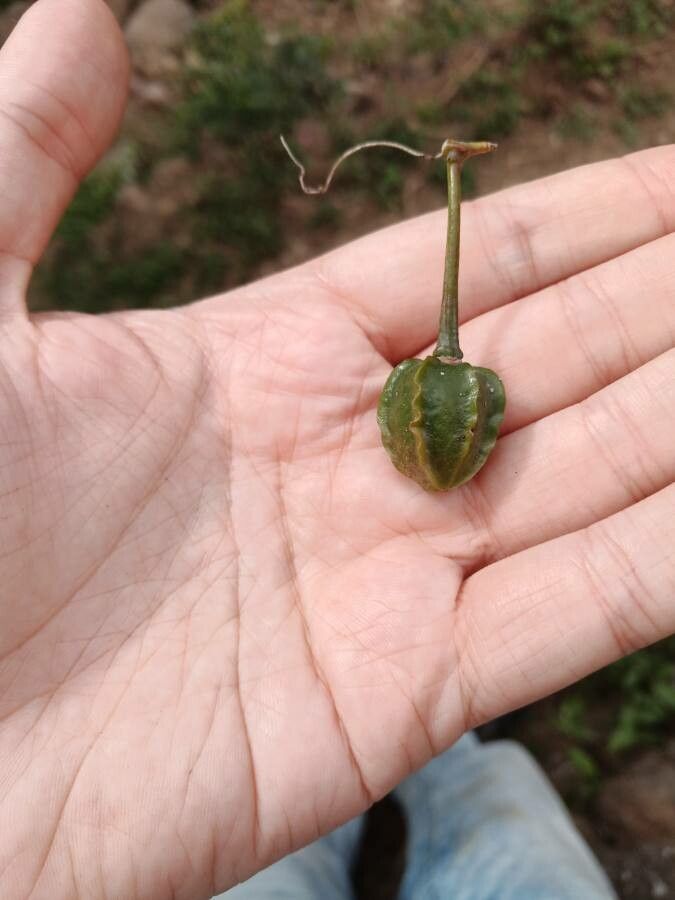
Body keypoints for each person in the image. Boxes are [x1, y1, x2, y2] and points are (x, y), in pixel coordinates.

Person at [0, 1, 672, 898]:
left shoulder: (435, 401)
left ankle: (419, 776)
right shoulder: (447, 401)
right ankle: (452, 770)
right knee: (508, 840)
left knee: (284, 867)